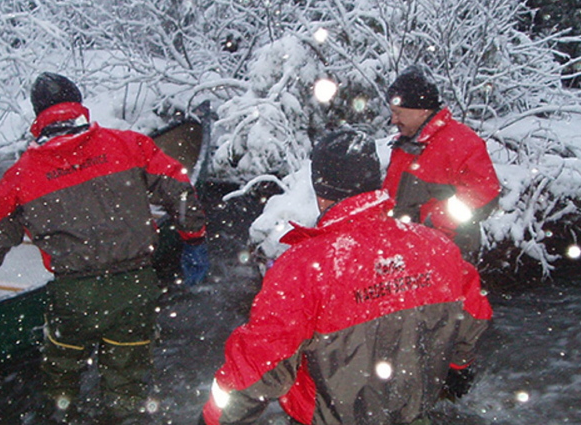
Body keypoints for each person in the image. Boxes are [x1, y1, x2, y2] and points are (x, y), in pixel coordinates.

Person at [0, 72, 209, 425]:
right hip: (134, 286)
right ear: (78, 104)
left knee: (61, 383)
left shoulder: (22, 175)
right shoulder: (129, 145)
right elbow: (179, 190)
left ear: (38, 115)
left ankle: (62, 414)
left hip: (73, 295)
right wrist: (194, 240)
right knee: (126, 390)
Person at [201, 127, 492, 425]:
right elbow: (473, 312)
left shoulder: (303, 267)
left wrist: (215, 419)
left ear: (320, 189)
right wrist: (459, 364)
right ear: (373, 181)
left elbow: (258, 364)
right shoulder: (438, 248)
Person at [382, 66, 501, 262]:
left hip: (446, 255)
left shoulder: (462, 142)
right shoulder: (405, 144)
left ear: (422, 111)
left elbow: (486, 194)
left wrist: (434, 224)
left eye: (398, 112)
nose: (393, 119)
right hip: (405, 254)